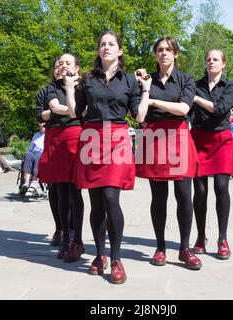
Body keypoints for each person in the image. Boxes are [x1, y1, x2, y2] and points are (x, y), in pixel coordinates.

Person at [64, 31, 150, 284]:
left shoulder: (129, 81)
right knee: (96, 202)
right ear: (98, 50)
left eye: (111, 44)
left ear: (120, 51)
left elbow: (140, 117)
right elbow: (74, 112)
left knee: (111, 197)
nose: (106, 47)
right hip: (91, 136)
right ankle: (99, 255)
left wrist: (146, 91)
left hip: (118, 137)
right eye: (102, 44)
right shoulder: (87, 79)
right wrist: (70, 88)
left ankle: (115, 258)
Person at [135, 36, 201, 271]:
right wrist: (145, 91)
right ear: (155, 54)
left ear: (176, 54)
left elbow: (184, 108)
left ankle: (185, 248)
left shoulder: (186, 79)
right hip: (153, 136)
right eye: (160, 50)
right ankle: (160, 247)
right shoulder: (146, 80)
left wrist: (152, 100)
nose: (164, 53)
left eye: (168, 49)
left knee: (184, 195)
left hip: (179, 136)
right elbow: (139, 114)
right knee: (158, 197)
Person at [36, 53, 86, 263]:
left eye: (67, 63)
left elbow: (90, 109)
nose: (62, 67)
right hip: (56, 139)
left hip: (76, 137)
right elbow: (53, 108)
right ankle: (65, 236)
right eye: (59, 64)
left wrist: (77, 111)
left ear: (77, 68)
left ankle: (78, 239)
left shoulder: (84, 88)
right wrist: (76, 111)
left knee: (76, 190)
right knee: (61, 191)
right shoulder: (50, 89)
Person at [190, 49, 233, 260]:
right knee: (199, 192)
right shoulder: (196, 85)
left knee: (221, 187)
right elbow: (187, 110)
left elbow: (219, 109)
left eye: (215, 59)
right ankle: (201, 236)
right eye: (208, 59)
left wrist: (195, 99)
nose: (211, 62)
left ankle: (222, 238)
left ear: (223, 64)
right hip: (199, 139)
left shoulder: (230, 86)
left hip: (222, 140)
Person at [20, 123, 45, 194]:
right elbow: (30, 147)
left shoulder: (49, 134)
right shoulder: (36, 135)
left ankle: (34, 181)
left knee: (38, 156)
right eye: (41, 124)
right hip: (33, 152)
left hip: (42, 153)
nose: (42, 125)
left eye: (44, 124)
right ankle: (26, 183)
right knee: (28, 154)